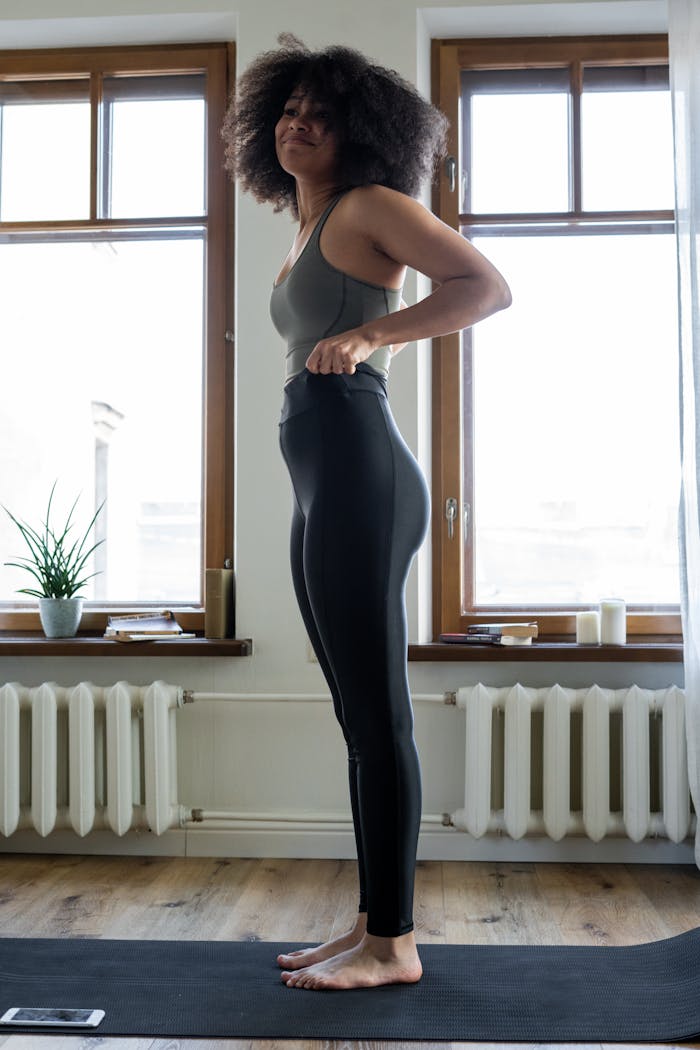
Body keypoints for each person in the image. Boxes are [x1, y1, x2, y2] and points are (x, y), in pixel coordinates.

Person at [222, 34, 511, 992]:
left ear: (361, 134)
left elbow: (486, 286)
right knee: (356, 717)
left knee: (379, 719)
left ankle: (396, 945)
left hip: (358, 466)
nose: (300, 122)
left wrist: (374, 333)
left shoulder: (371, 206)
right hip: (323, 472)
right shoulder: (308, 225)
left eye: (324, 113)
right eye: (290, 109)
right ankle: (369, 923)